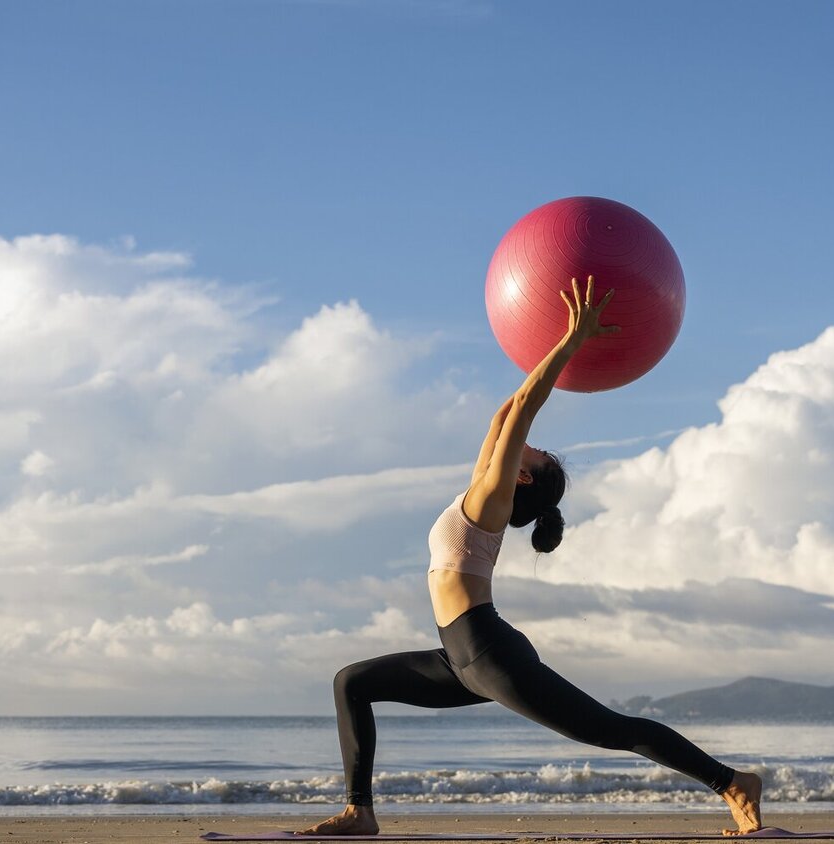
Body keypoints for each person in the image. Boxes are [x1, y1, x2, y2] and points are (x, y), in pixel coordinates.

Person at [300, 277, 763, 837]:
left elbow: (524, 405)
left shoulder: (491, 501)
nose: (525, 441)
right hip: (459, 659)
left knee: (609, 729)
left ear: (522, 475)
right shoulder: (481, 489)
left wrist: (573, 341)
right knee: (351, 681)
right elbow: (504, 416)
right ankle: (360, 811)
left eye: (533, 450)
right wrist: (539, 338)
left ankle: (732, 781)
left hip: (492, 657)